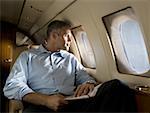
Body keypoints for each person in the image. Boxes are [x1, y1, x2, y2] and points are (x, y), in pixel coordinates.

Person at [3, 20, 137, 112]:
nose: (70, 40)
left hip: (71, 102)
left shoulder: (70, 58)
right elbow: (12, 86)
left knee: (117, 86)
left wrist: (88, 82)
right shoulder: (27, 56)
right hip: (41, 106)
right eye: (67, 36)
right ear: (54, 35)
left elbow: (84, 76)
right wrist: (45, 100)